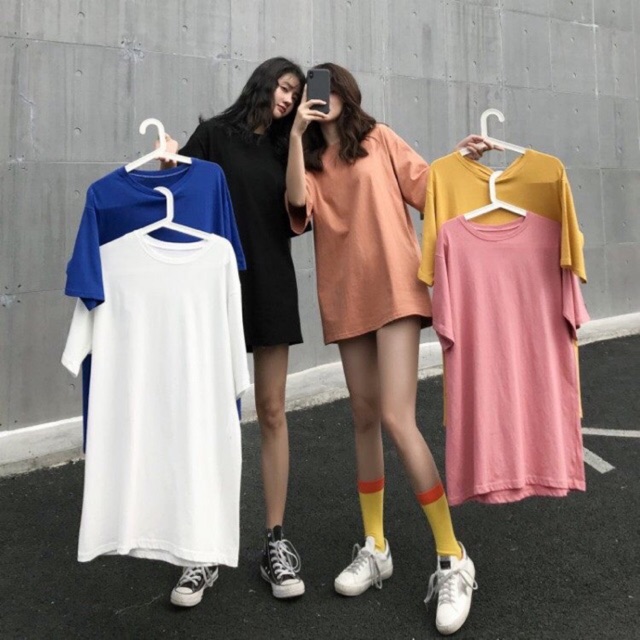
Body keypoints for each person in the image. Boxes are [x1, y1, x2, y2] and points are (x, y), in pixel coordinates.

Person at [286, 62, 491, 636]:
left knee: (399, 418)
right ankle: (376, 546)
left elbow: (428, 188)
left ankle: (452, 555)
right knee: (364, 417)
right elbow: (297, 204)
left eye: (330, 88)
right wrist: (297, 135)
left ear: (347, 94)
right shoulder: (309, 159)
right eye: (314, 91)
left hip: (396, 287)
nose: (323, 97)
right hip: (345, 295)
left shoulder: (378, 138)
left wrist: (460, 162)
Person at [163, 57, 307, 606]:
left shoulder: (288, 147)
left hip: (270, 281)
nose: (288, 99)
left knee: (271, 410)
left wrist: (298, 136)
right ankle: (203, 549)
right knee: (213, 415)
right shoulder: (215, 136)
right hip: (216, 285)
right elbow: (176, 185)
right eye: (284, 88)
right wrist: (168, 157)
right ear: (263, 83)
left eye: (295, 94)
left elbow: (299, 205)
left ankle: (275, 542)